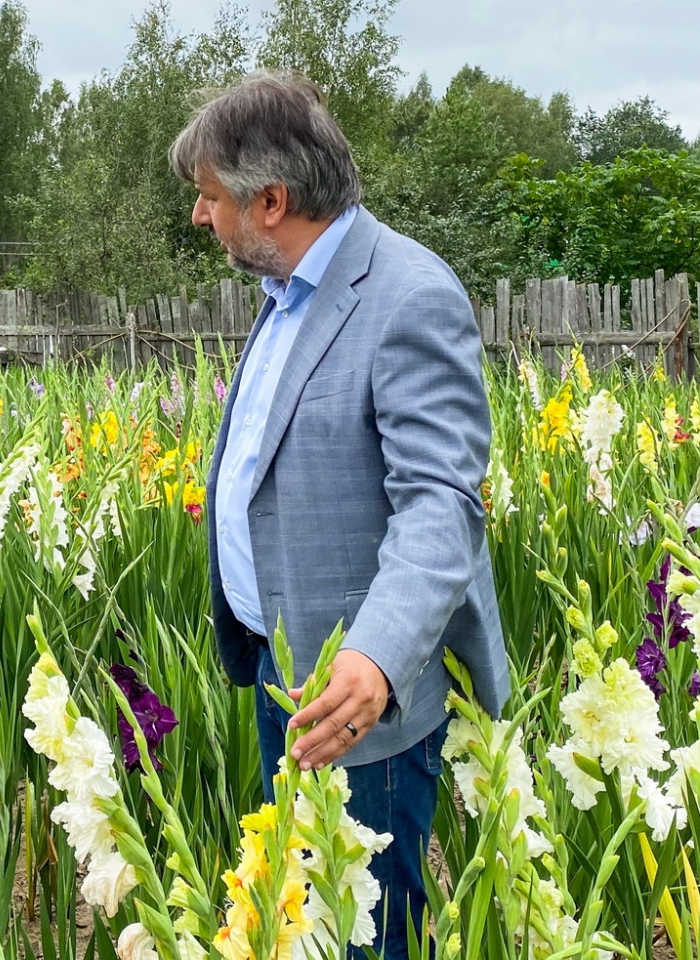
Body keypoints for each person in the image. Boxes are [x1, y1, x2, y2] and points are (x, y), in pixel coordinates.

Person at [175, 72, 509, 960]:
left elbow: (441, 503)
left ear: (272, 200)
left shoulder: (408, 295)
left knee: (358, 938)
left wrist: (376, 655)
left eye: (210, 199)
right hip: (280, 675)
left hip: (358, 700)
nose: (201, 218)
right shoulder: (289, 290)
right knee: (299, 926)